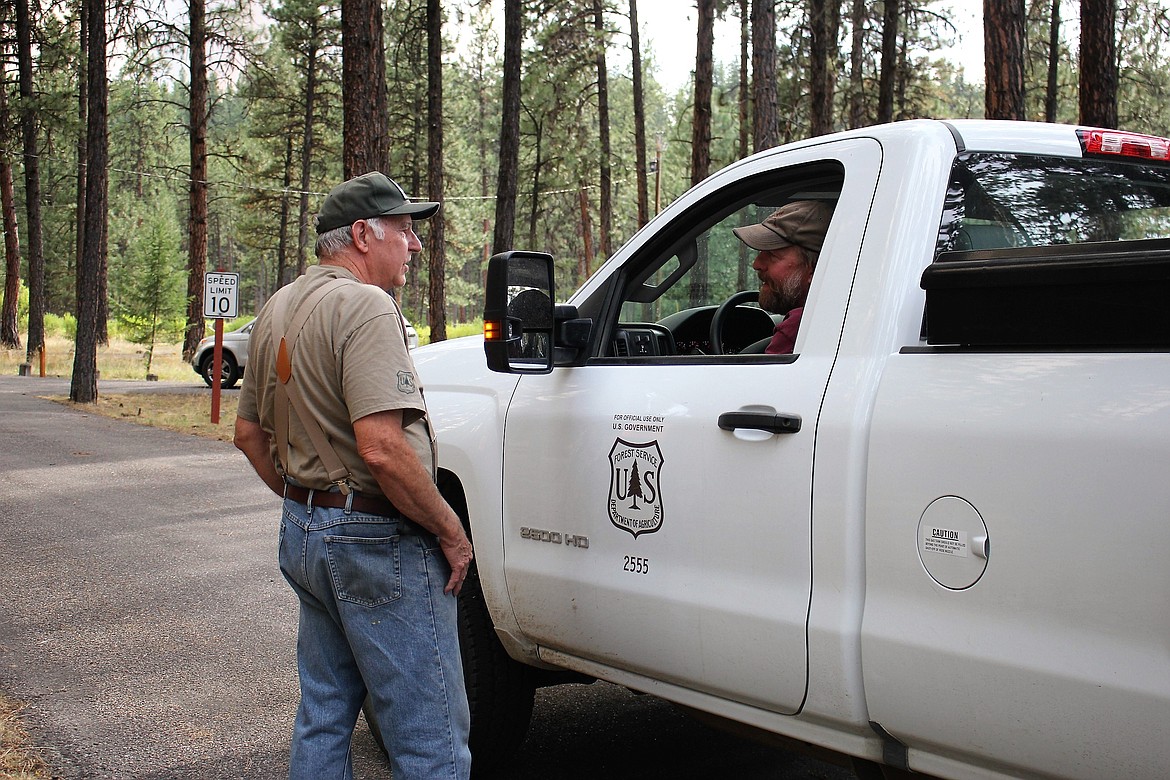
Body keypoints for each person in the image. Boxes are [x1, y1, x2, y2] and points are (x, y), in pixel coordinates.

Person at [234, 171, 473, 780]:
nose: (414, 245)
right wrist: (450, 530)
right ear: (364, 235)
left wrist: (310, 506)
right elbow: (383, 449)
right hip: (374, 542)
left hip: (305, 533)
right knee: (430, 740)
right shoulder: (366, 306)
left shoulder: (277, 307)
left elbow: (247, 434)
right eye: (404, 230)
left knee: (323, 713)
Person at [732, 200, 834, 354]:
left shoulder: (799, 327)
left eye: (772, 255)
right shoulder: (836, 320)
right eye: (761, 253)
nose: (756, 264)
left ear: (814, 269)